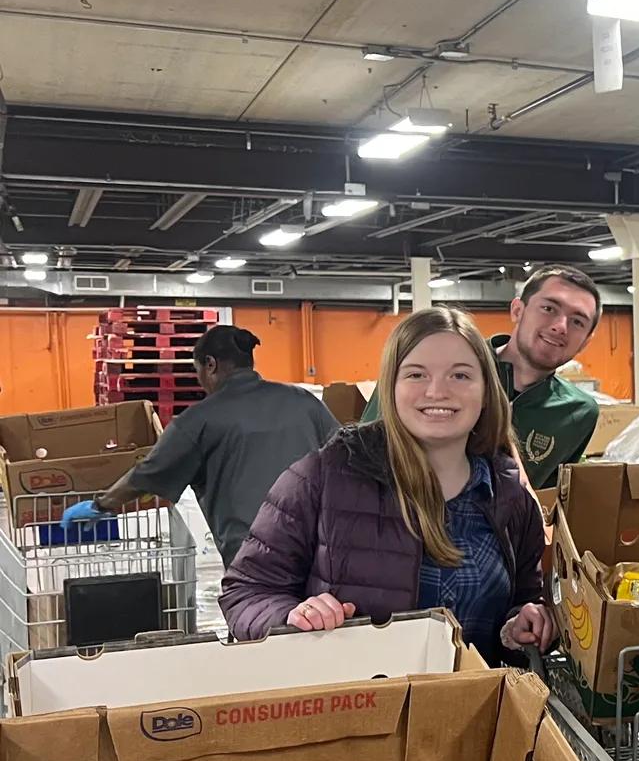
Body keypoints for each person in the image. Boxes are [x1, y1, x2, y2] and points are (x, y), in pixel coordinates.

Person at [222, 307, 554, 665]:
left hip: (473, 711)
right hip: (356, 711)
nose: (437, 391)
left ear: (486, 391)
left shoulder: (509, 494)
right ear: (390, 388)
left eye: (460, 375)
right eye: (416, 374)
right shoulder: (323, 476)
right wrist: (291, 616)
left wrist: (519, 626)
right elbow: (245, 592)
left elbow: (522, 598)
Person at [57, 324, 335, 566]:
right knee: (319, 620)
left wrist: (101, 505)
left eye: (197, 370)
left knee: (262, 623)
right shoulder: (304, 402)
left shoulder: (198, 420)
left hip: (254, 552)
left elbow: (147, 475)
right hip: (319, 542)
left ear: (210, 364)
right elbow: (347, 453)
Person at [363, 264, 602, 489]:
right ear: (517, 310)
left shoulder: (578, 413)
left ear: (587, 341)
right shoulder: (438, 363)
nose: (561, 326)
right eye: (549, 309)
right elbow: (365, 449)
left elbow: (548, 500)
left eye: (577, 321)